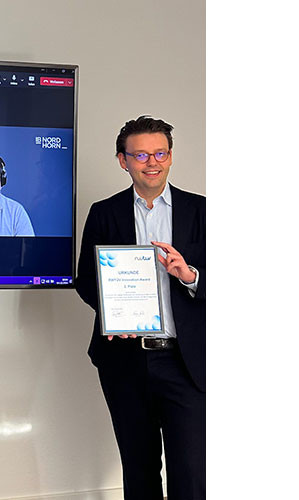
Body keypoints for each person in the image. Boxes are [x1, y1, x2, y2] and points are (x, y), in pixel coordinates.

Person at [73, 115, 203, 500]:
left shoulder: (202, 211)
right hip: (125, 361)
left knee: (191, 472)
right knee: (139, 469)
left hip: (187, 362)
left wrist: (190, 275)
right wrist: (115, 314)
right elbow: (86, 280)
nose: (152, 162)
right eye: (141, 155)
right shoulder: (104, 212)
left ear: (171, 156)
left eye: (160, 153)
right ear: (123, 160)